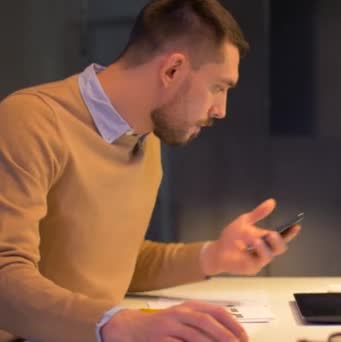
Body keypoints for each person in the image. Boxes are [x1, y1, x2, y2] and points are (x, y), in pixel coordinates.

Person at [0, 0, 300, 341]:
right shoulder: (30, 121)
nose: (221, 110)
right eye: (218, 87)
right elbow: (4, 277)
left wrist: (213, 256)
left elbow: (112, 262)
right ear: (172, 70)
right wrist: (117, 324)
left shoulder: (145, 137)